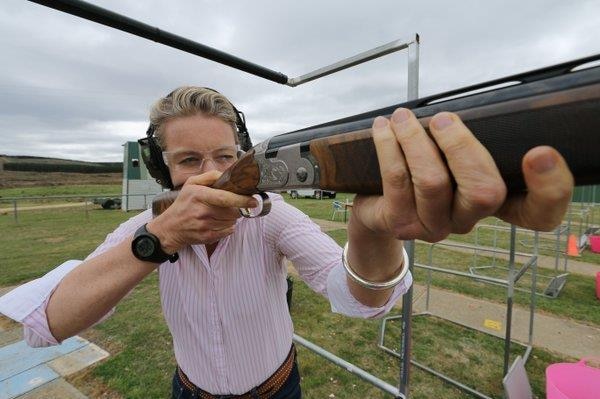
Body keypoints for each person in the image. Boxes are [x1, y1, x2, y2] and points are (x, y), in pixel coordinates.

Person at [0, 87, 573, 399]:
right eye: (189, 160)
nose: (210, 172)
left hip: (278, 390)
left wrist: (370, 227)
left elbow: (359, 297)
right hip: (187, 391)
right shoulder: (146, 232)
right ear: (163, 169)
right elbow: (46, 323)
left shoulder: (273, 216)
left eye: (225, 157)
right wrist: (160, 238)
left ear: (244, 159)